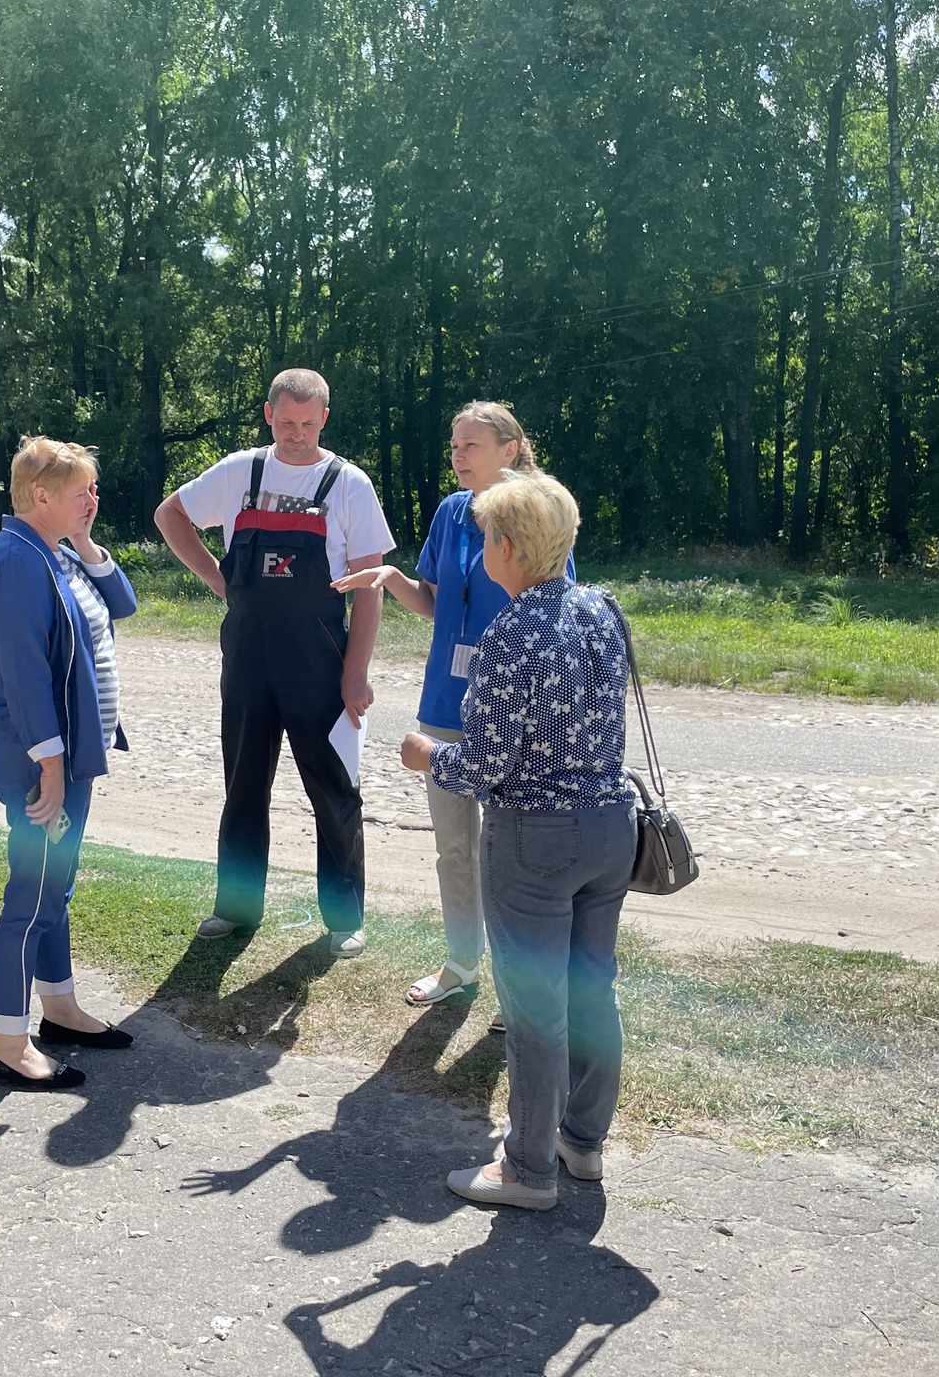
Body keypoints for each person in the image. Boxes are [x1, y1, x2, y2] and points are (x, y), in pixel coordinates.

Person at [398, 472, 634, 1211]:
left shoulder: (510, 631)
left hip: (537, 838)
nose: (480, 550)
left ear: (508, 547)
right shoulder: (603, 608)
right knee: (592, 988)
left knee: (534, 1008)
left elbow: (485, 765)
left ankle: (528, 1170)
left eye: (486, 538)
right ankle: (582, 1142)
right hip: (612, 825)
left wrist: (425, 756)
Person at [333, 403, 572, 1012]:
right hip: (445, 700)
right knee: (455, 848)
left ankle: (523, 988)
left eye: (471, 445)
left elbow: (555, 609)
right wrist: (390, 577)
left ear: (510, 449)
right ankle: (463, 962)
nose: (457, 455)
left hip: (515, 707)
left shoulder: (540, 510)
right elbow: (437, 603)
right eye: (454, 445)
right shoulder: (450, 511)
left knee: (515, 850)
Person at [154, 368, 394, 958]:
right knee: (242, 786)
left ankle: (344, 917)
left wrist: (355, 672)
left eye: (308, 424)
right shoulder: (242, 471)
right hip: (248, 658)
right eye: (286, 422)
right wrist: (219, 580)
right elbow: (170, 515)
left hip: (319, 661)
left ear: (324, 419)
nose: (296, 434)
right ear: (268, 414)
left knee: (333, 789)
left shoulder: (348, 483)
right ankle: (235, 908)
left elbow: (370, 587)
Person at [0, 438, 139, 1089]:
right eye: (80, 492)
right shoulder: (18, 561)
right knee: (32, 896)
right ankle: (10, 1044)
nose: (92, 499)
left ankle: (60, 1009)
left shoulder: (55, 551)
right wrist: (48, 766)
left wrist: (87, 540)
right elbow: (24, 676)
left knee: (54, 887)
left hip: (68, 758)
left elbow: (122, 603)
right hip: (42, 763)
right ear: (40, 496)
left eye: (94, 489)